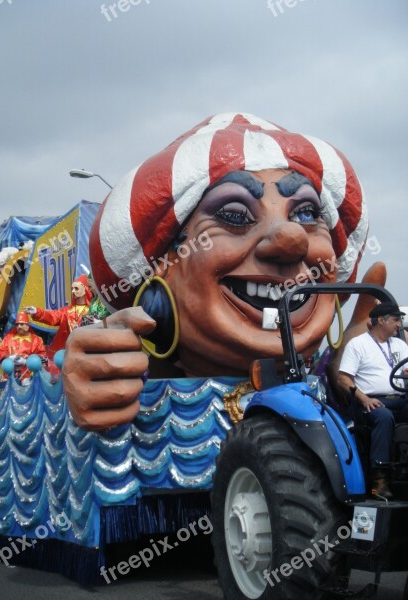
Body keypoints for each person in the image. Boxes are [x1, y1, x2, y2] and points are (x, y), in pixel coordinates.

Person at [62, 112, 368, 431]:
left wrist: (343, 362)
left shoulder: (326, 396)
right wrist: (97, 380)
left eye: (306, 213)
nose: (291, 240)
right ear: (163, 268)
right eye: (234, 215)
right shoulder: (140, 389)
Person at [338, 302, 408, 499]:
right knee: (383, 416)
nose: (398, 325)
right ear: (381, 320)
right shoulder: (358, 344)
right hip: (370, 402)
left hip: (399, 398)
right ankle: (379, 480)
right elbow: (342, 378)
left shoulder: (400, 345)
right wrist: (364, 398)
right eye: (395, 320)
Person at [23, 274, 92, 357]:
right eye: (72, 289)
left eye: (76, 288)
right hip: (65, 352)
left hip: (84, 352)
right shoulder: (66, 311)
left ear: (85, 290)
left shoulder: (91, 311)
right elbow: (53, 316)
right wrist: (37, 312)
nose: (73, 291)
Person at [0, 311, 47, 385]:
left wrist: (26, 361)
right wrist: (11, 358)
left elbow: (43, 359)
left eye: (22, 324)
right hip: (9, 377)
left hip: (29, 377)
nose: (19, 326)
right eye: (17, 324)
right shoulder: (8, 338)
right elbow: (1, 351)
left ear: (28, 326)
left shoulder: (37, 340)